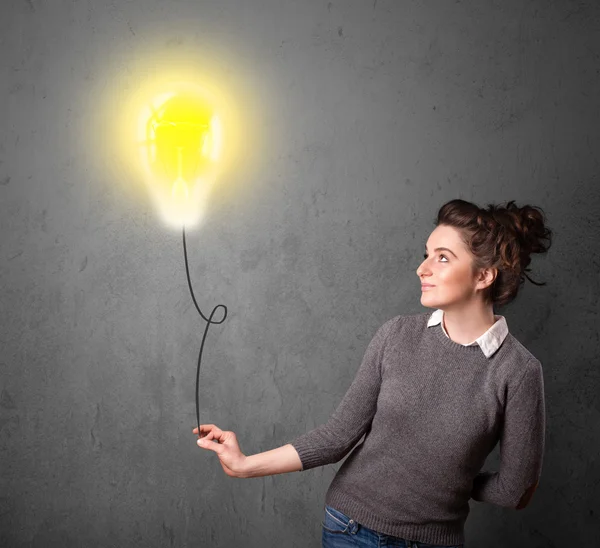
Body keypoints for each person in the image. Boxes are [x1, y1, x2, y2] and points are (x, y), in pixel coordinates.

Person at [192, 198, 552, 548]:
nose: (422, 268)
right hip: (348, 529)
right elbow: (336, 437)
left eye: (442, 258)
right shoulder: (396, 334)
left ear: (484, 276)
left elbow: (515, 491)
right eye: (425, 254)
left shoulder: (518, 372)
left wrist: (453, 479)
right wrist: (244, 465)